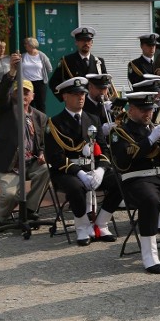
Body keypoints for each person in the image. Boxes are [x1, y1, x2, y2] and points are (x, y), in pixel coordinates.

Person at [44, 77, 122, 246]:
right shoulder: (54, 123)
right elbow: (54, 157)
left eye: (83, 94)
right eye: (75, 94)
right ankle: (82, 227)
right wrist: (79, 172)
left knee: (119, 181)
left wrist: (101, 170)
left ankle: (101, 223)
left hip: (92, 166)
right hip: (67, 170)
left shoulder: (92, 119)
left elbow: (104, 148)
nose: (81, 97)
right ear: (65, 97)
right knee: (75, 187)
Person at [110, 91, 160, 274]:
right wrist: (150, 140)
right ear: (131, 110)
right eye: (143, 110)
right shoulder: (119, 131)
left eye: (149, 110)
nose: (147, 114)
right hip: (137, 179)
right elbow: (125, 158)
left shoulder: (155, 128)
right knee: (149, 200)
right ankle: (150, 255)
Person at [0, 68, 49, 231]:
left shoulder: (40, 117)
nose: (23, 95)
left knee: (47, 169)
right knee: (11, 195)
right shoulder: (7, 110)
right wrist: (11, 73)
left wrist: (42, 153)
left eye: (26, 92)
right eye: (19, 92)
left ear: (32, 96)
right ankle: (1, 219)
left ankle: (29, 211)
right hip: (8, 165)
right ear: (13, 95)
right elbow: (1, 94)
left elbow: (44, 142)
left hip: (30, 162)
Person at [48, 26, 108, 99]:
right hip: (76, 103)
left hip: (95, 103)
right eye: (82, 40)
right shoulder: (67, 61)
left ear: (92, 43)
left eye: (88, 40)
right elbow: (53, 82)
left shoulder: (99, 62)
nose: (86, 43)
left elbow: (105, 82)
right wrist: (66, 97)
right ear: (76, 42)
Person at [22, 37, 52, 113]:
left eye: (26, 44)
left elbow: (49, 68)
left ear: (32, 45)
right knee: (28, 104)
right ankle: (29, 123)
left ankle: (42, 123)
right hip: (27, 83)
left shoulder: (42, 55)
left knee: (40, 104)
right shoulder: (23, 56)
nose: (25, 46)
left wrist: (42, 74)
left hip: (40, 83)